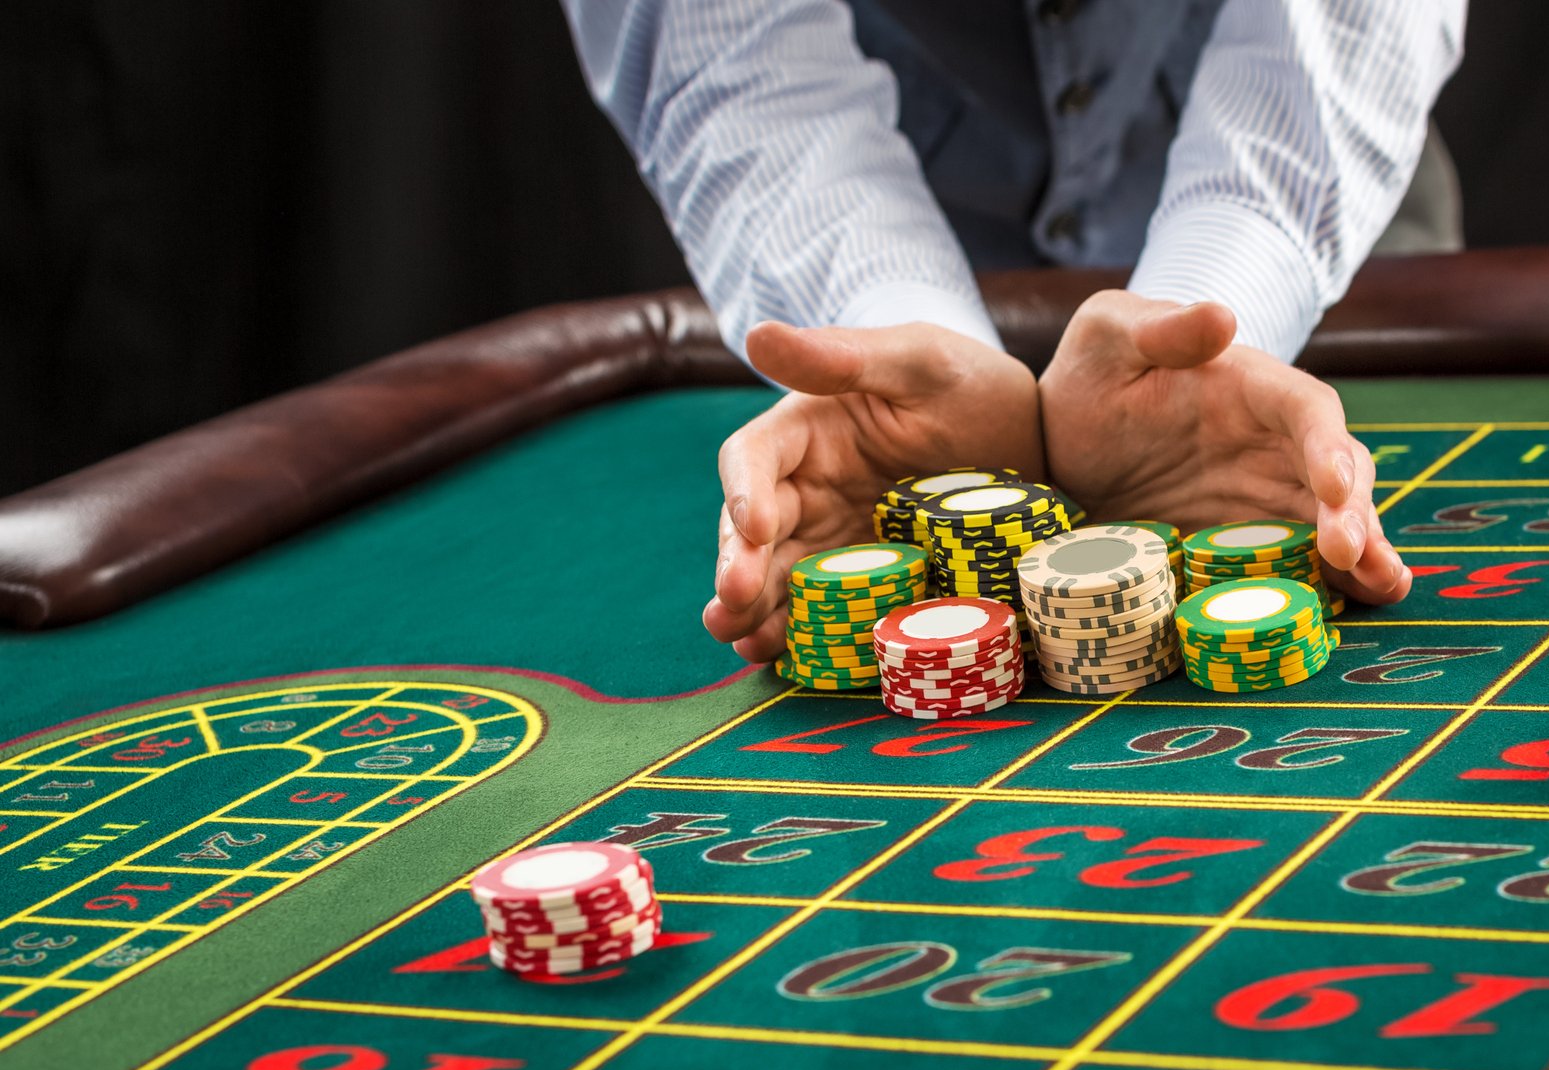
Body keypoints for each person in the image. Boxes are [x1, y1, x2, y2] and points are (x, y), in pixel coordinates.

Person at [564, 0, 1465, 662]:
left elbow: (1341, 28)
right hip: (899, 211)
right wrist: (891, 339)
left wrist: (1205, 313)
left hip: (1311, 211)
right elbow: (729, 66)